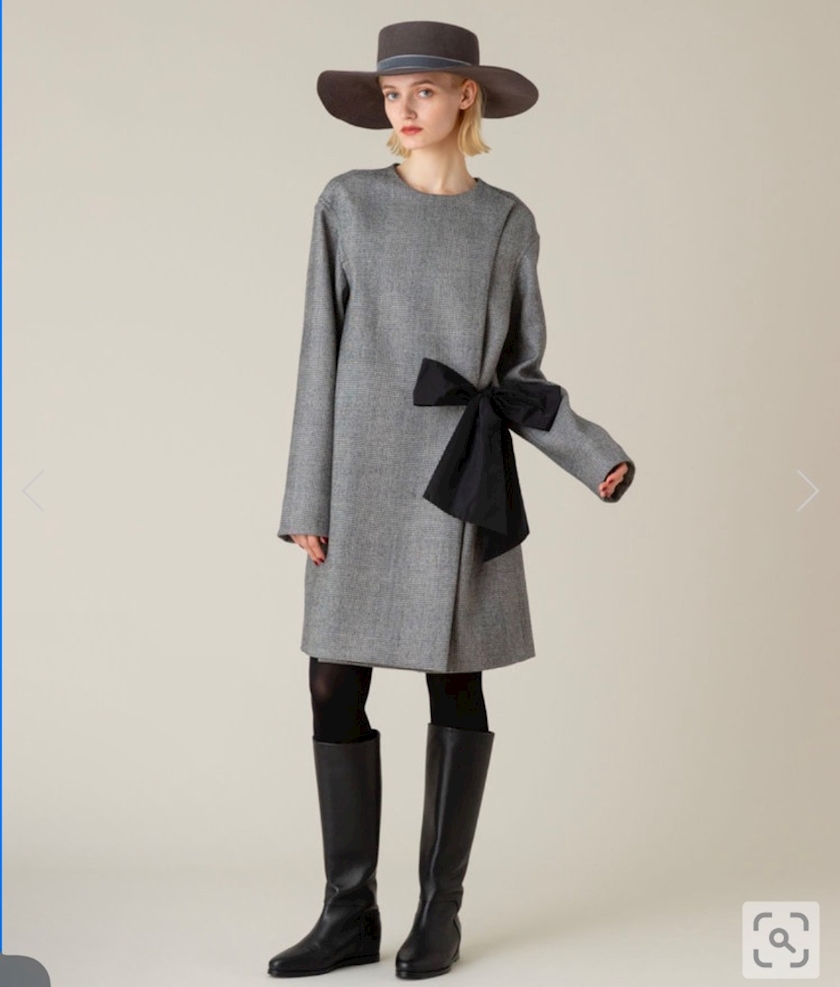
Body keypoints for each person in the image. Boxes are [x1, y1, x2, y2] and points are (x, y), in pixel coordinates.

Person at [269, 20, 636, 980]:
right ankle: (349, 912)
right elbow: (317, 354)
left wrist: (592, 455)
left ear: (466, 96)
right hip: (357, 472)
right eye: (392, 95)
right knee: (331, 680)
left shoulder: (506, 222)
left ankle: (440, 911)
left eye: (423, 91)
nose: (403, 110)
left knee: (455, 680)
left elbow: (519, 373)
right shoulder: (347, 202)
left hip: (458, 477)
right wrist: (307, 494)